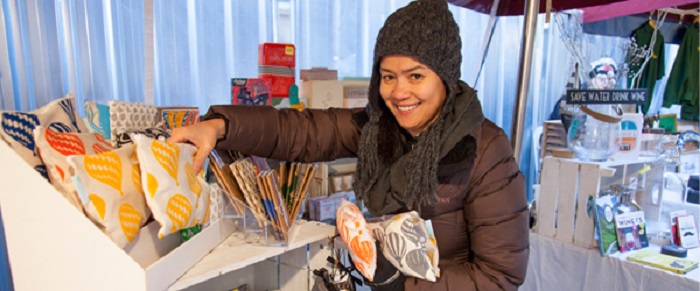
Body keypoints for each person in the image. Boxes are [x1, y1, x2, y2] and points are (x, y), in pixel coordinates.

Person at [169, 1, 529, 290]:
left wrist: (401, 285)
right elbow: (303, 131)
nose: (399, 93)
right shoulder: (378, 128)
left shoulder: (484, 149)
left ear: (446, 78)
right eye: (388, 77)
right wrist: (220, 125)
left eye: (415, 76)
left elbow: (500, 276)